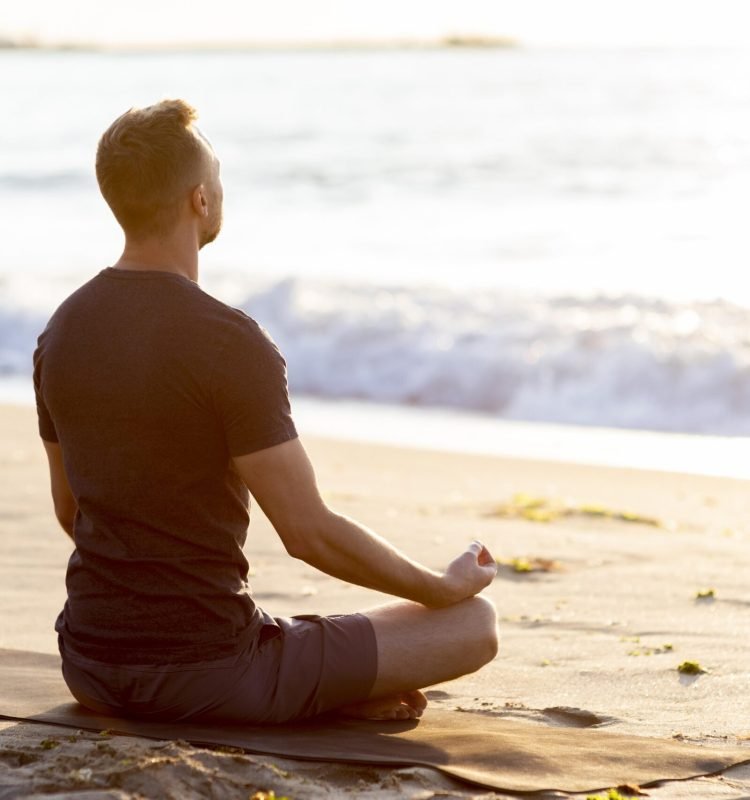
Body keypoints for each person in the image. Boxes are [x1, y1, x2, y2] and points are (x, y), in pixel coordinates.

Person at [33, 99, 499, 725]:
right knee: (474, 624)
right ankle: (321, 692)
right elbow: (308, 533)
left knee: (290, 634)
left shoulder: (60, 334)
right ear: (200, 199)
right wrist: (438, 587)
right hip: (212, 671)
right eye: (217, 174)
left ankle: (321, 686)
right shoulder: (228, 341)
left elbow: (72, 512)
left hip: (89, 666)